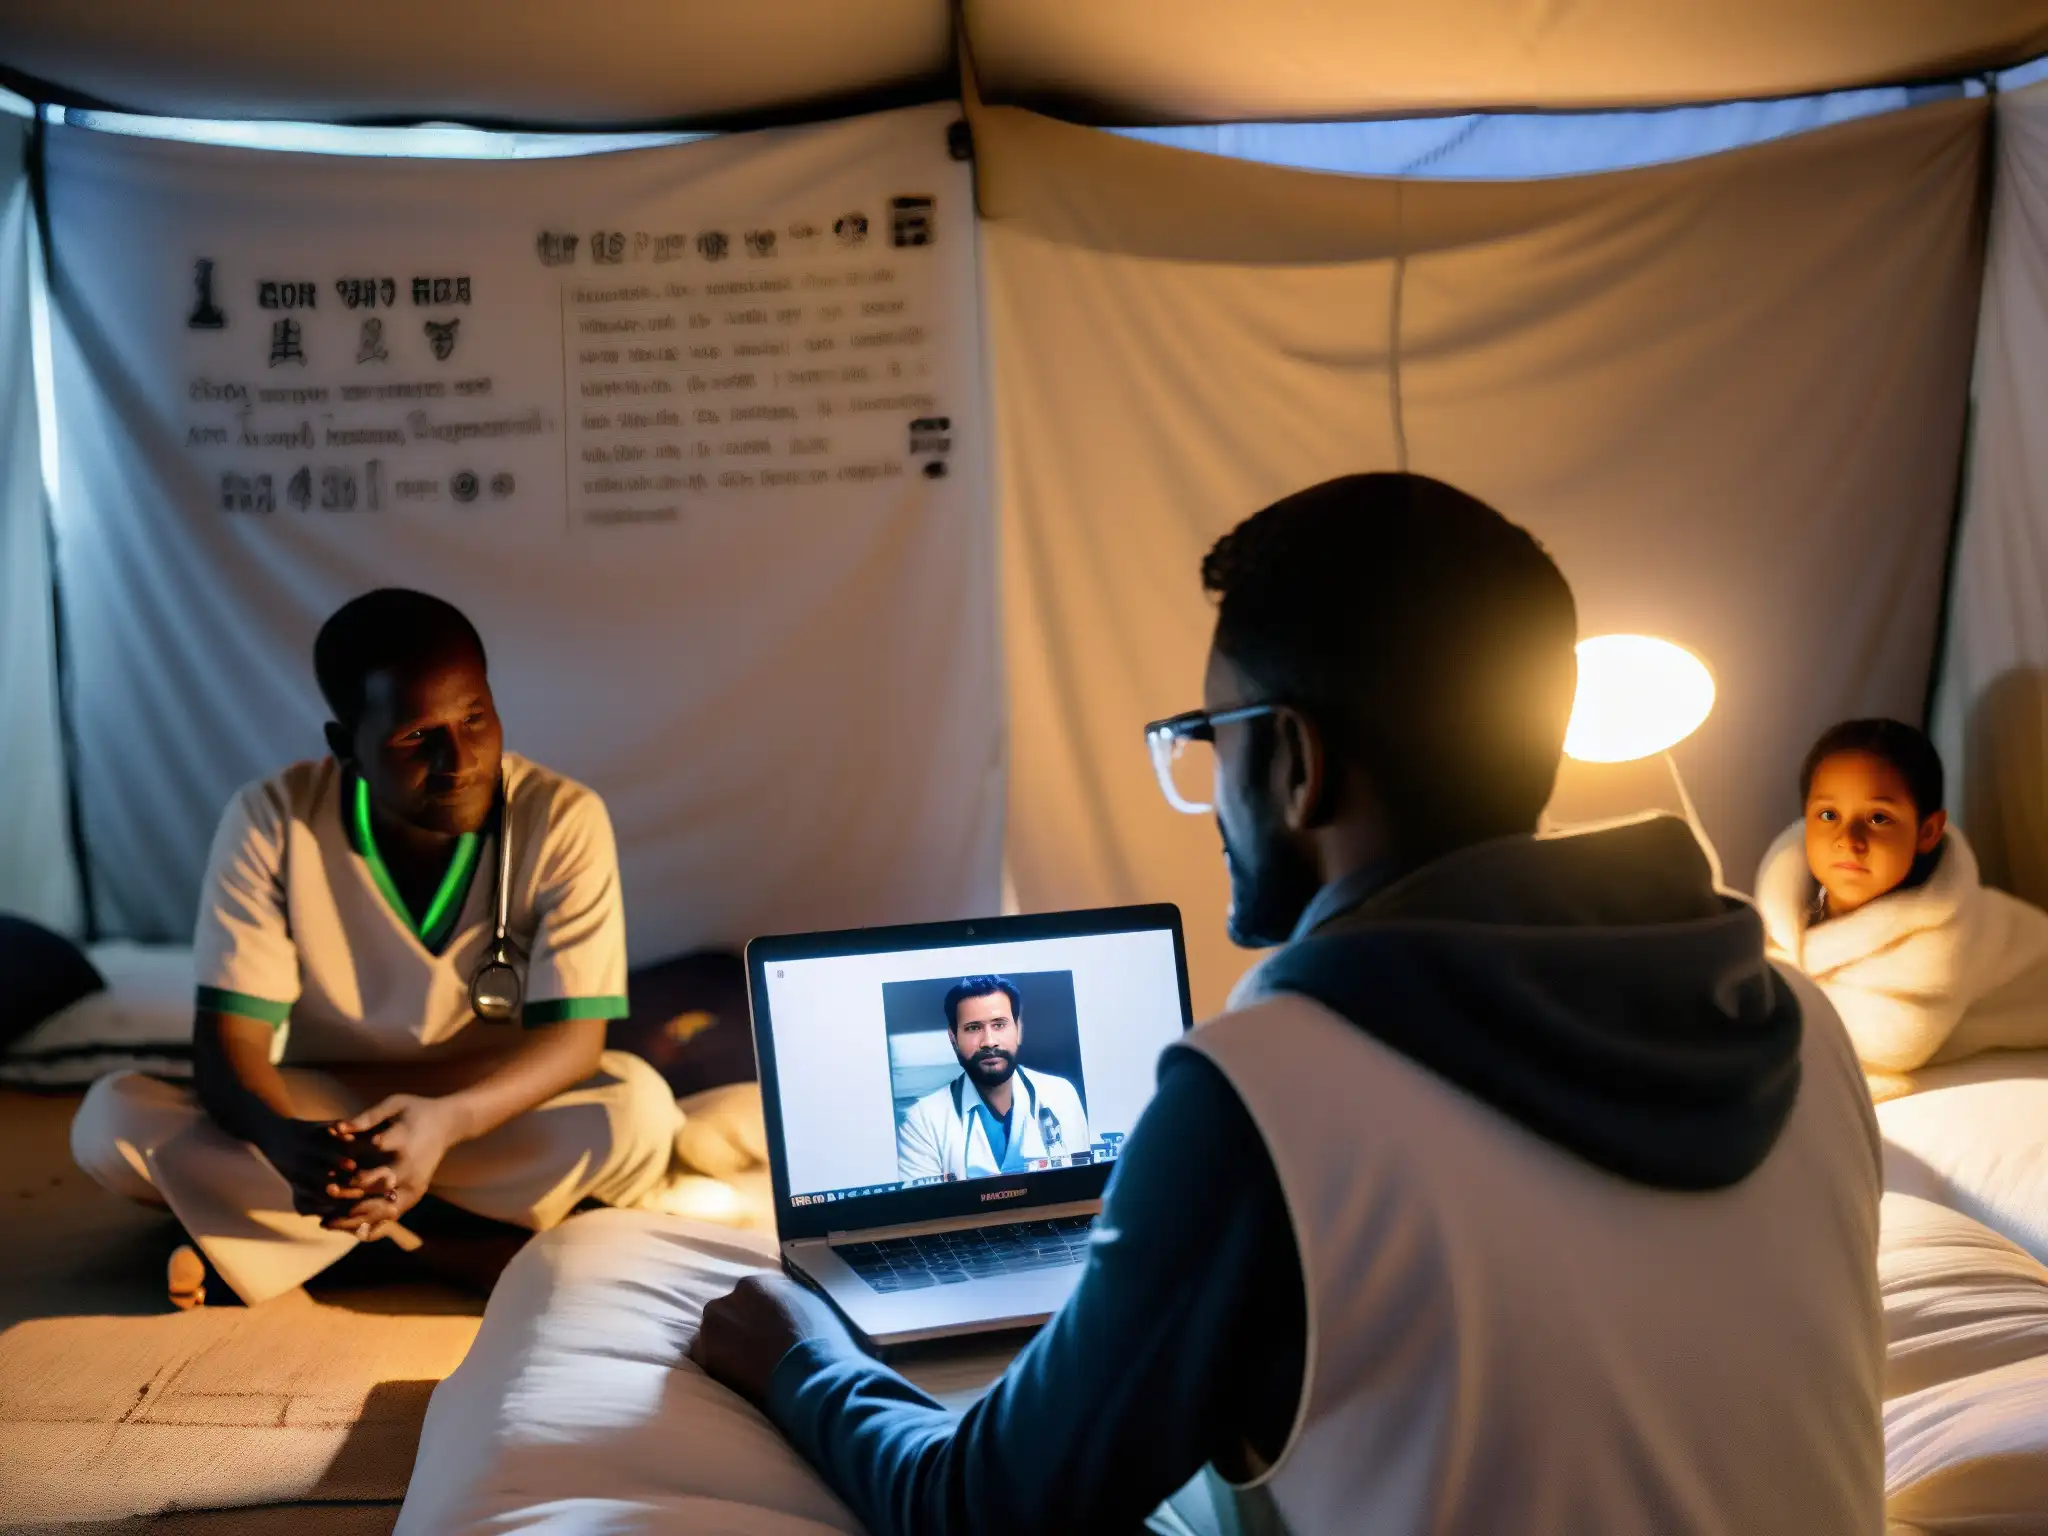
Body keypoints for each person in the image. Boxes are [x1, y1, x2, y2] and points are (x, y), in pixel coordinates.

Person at [690, 473, 1883, 1534]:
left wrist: (798, 1358)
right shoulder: (1802, 1024)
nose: (1208, 793)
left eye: (1210, 741)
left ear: (1297, 763)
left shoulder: (1266, 1095)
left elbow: (980, 1505)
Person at [71, 589, 686, 1307]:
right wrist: (288, 1143)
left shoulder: (563, 818)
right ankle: (444, 1246)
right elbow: (230, 1040)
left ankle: (288, 1244)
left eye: (475, 719)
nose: (459, 760)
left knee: (637, 1111)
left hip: (487, 1113)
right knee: (112, 1122)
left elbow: (577, 1042)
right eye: (415, 737)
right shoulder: (273, 821)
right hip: (330, 1112)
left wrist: (446, 1122)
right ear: (346, 748)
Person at [1755, 717, 2048, 1099]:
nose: (1849, 840)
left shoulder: (1947, 939)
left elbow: (1896, 1041)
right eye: (1829, 815)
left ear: (1927, 832)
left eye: (1879, 818)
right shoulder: (1790, 900)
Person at [895, 976, 1090, 1182]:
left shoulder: (1061, 1095)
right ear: (953, 1038)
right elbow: (924, 1209)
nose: (989, 1042)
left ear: (1018, 1030)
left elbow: (1082, 1185)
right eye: (973, 1028)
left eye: (999, 1025)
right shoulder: (921, 1120)